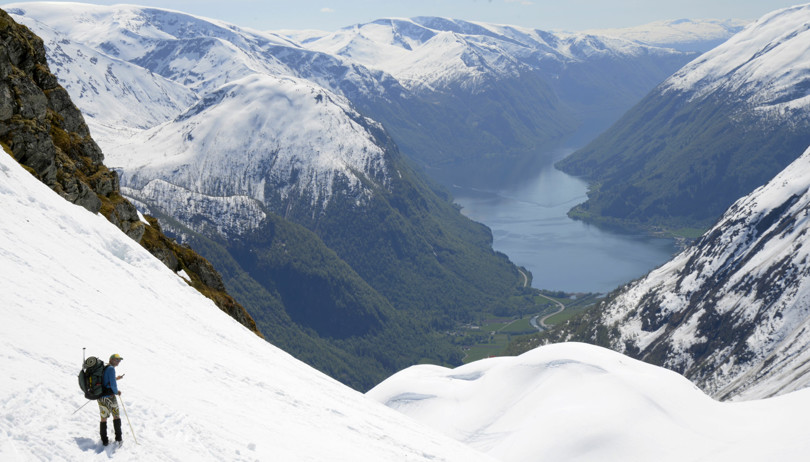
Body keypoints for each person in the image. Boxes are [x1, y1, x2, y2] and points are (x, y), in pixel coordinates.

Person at [98, 354, 124, 446]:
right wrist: (117, 392)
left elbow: (106, 380)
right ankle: (118, 438)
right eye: (116, 360)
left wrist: (117, 378)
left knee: (103, 417)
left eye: (119, 360)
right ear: (111, 360)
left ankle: (104, 440)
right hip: (110, 396)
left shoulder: (105, 367)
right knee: (116, 416)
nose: (118, 362)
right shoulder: (111, 369)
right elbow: (112, 385)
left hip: (101, 396)